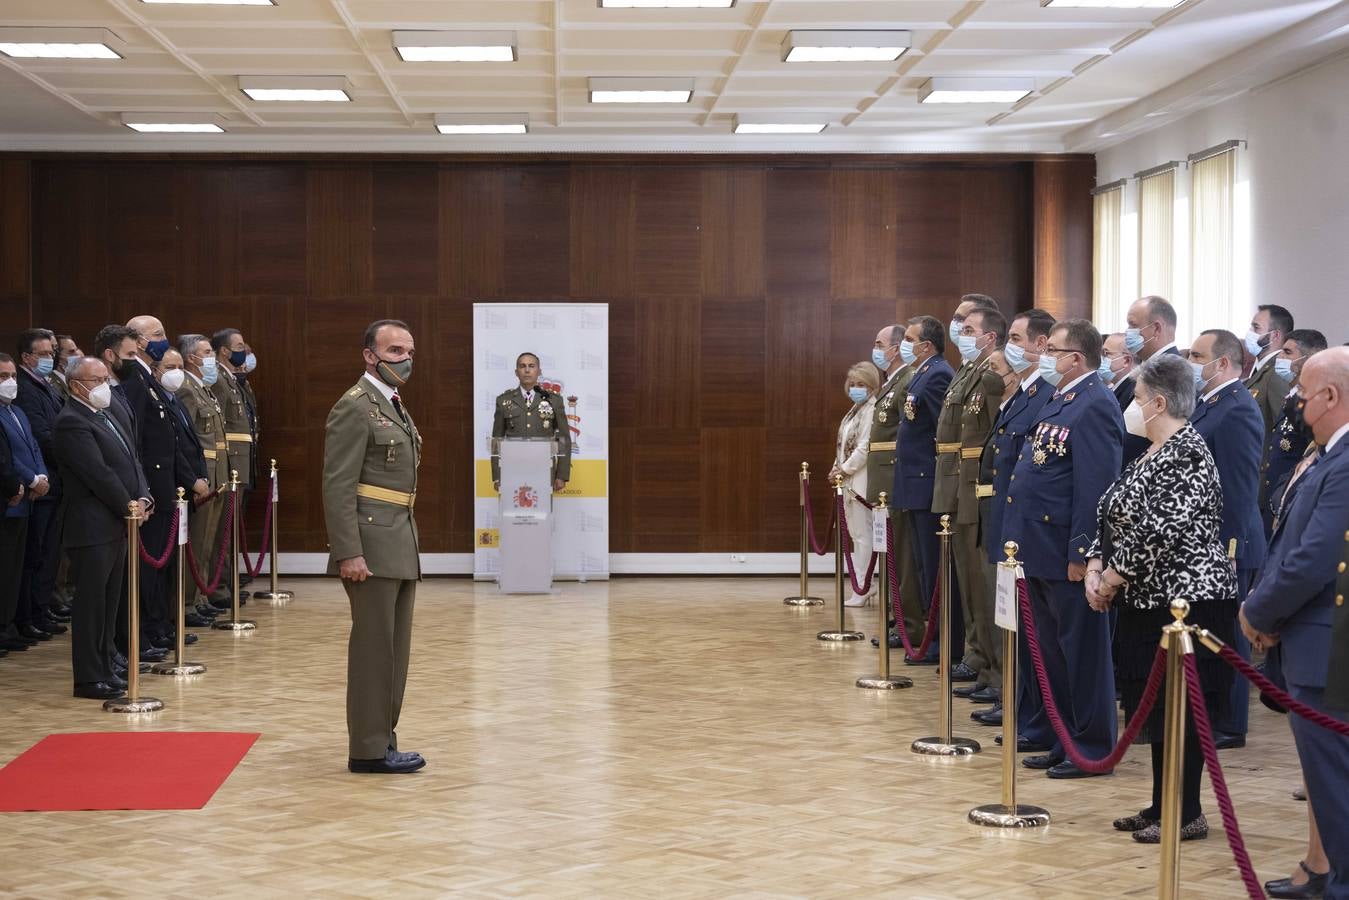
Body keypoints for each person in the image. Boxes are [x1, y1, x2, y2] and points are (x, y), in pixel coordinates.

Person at [1086, 353, 1237, 842]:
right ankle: (1159, 804)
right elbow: (1112, 512)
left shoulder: (1188, 451)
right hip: (1146, 599)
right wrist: (1094, 562)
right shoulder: (1149, 452)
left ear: (1159, 401)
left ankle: (1186, 810)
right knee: (1154, 708)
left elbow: (1160, 529)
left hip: (1187, 602)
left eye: (1135, 398)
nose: (1130, 406)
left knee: (1183, 710)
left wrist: (1111, 577)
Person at [1241, 346, 1349, 900]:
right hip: (1310, 637)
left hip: (1327, 646)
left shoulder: (1346, 459)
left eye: (1304, 391)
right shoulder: (1329, 452)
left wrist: (1258, 610)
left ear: (1330, 396)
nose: (1297, 399)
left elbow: (1315, 556)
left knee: (1334, 780)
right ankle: (1323, 870)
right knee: (1322, 776)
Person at [1003, 318, 1123, 778]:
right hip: (1037, 547)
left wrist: (1083, 553)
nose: (1044, 356)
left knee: (1082, 656)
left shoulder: (1095, 403)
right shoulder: (1061, 396)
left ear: (1075, 358)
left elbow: (1096, 488)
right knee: (1051, 653)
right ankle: (1062, 737)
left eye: (1052, 349)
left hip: (1065, 552)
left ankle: (1091, 747)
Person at [323, 319, 425, 775]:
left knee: (392, 651)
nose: (404, 358)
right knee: (373, 651)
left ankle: (382, 739)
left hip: (397, 538)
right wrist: (349, 551)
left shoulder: (392, 404)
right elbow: (338, 484)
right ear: (370, 355)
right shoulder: (355, 407)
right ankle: (367, 748)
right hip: (370, 544)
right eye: (394, 350)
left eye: (408, 350)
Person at [971, 310, 1056, 734]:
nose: (1011, 345)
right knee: (1009, 619)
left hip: (1028, 529)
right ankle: (1016, 702)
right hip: (1007, 521)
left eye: (1018, 338)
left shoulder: (1044, 395)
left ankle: (1022, 706)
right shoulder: (1026, 393)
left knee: (1024, 626)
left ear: (1042, 345)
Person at [1187, 329, 1267, 749]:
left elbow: (1238, 488)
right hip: (1207, 539)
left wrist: (1228, 548)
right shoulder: (1211, 404)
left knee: (1228, 635)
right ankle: (1212, 714)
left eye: (1198, 355)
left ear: (1222, 363)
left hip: (1229, 540)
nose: (1190, 361)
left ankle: (1231, 724)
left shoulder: (1236, 408)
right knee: (1208, 633)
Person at [54, 357, 152, 700]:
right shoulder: (71, 422)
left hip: (117, 521)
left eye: (104, 378)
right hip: (92, 525)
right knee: (92, 605)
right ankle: (88, 677)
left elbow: (131, 460)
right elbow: (98, 474)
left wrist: (144, 497)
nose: (102, 385)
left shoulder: (104, 415)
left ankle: (107, 667)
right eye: (94, 380)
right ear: (74, 384)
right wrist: (129, 505)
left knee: (111, 603)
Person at [124, 316, 207, 651]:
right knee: (149, 564)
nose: (162, 339)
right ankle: (144, 632)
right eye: (156, 334)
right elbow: (139, 442)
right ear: (139, 341)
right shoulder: (136, 379)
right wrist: (143, 490)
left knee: (164, 562)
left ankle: (159, 625)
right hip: (153, 488)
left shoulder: (151, 381)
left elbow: (172, 439)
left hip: (168, 485)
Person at [932, 295, 1002, 680]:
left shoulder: (990, 377)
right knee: (967, 580)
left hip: (976, 487)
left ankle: (993, 667)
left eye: (969, 329)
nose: (960, 332)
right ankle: (977, 652)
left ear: (990, 337)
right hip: (956, 484)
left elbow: (993, 437)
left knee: (981, 581)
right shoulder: (966, 371)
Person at [893, 316, 953, 664]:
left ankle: (937, 638)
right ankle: (929, 634)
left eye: (911, 339)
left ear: (926, 345)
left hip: (924, 482)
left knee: (930, 567)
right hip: (911, 483)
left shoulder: (939, 373)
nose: (907, 344)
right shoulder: (923, 372)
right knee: (919, 565)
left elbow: (939, 432)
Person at [865, 325, 919, 649]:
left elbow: (905, 436)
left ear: (896, 348)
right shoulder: (892, 383)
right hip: (883, 481)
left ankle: (909, 623)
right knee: (891, 556)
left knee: (903, 558)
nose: (876, 349)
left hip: (895, 479)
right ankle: (895, 617)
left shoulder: (907, 380)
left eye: (879, 343)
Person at [14, 329, 67, 642]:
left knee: (49, 553)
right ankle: (30, 614)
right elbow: (42, 436)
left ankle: (42, 608)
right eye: (44, 354)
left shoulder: (45, 385)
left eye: (52, 353)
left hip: (56, 481)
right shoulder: (24, 388)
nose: (51, 358)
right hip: (42, 483)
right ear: (27, 357)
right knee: (35, 554)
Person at [177, 334, 230, 620]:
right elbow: (188, 441)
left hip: (217, 473)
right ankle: (186, 602)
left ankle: (200, 596)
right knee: (196, 542)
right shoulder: (186, 389)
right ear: (191, 358)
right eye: (207, 352)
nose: (212, 358)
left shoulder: (204, 389)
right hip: (202, 475)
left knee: (209, 541)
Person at [0, 353, 46, 653]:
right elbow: (8, 459)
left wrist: (41, 475)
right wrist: (29, 480)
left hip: (26, 499)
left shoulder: (17, 411)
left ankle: (11, 623)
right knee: (4, 568)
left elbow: (32, 447)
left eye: (13, 376)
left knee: (19, 567)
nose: (10, 382)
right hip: (11, 497)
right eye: (3, 377)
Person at [1261, 329, 1328, 535]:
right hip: (1273, 495)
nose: (1279, 358)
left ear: (1310, 359)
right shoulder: (1291, 397)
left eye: (1287, 353)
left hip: (1292, 500)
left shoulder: (1313, 404)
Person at [829, 362, 880, 607]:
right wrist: (836, 466)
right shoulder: (854, 410)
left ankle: (864, 586)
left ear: (872, 386)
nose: (856, 388)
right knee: (856, 534)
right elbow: (844, 443)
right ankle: (860, 584)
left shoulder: (871, 409)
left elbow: (865, 447)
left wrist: (845, 468)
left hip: (860, 481)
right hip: (847, 480)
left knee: (863, 537)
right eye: (853, 384)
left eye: (862, 384)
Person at [211, 328, 256, 600]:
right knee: (219, 532)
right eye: (240, 346)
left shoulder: (234, 380)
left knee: (228, 529)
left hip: (239, 464)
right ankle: (218, 587)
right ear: (225, 351)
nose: (245, 351)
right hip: (228, 465)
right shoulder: (218, 379)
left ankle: (224, 582)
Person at [491, 353, 572, 493]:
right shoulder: (504, 401)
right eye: (522, 366)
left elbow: (564, 438)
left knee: (543, 513)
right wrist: (497, 476)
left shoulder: (554, 400)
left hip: (545, 470)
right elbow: (496, 440)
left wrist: (561, 475)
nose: (527, 370)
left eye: (531, 366)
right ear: (516, 372)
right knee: (513, 512)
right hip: (512, 470)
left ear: (539, 371)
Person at [1121, 296, 1182, 466]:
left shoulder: (1170, 372)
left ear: (1156, 328)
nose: (1127, 332)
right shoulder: (1148, 367)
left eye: (1133, 325)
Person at [1245, 304, 1295, 434]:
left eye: (1256, 328)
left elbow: (1283, 428)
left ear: (1275, 335)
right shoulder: (1261, 369)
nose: (1250, 332)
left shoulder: (1277, 373)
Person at [1100, 332, 1137, 411]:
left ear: (1126, 361)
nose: (1101, 358)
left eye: (1106, 353)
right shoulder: (1120, 387)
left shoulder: (1134, 392)